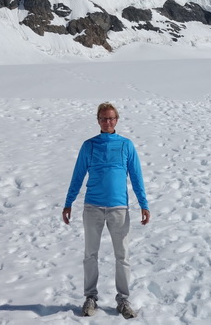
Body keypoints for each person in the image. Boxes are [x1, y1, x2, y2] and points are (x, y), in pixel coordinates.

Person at [62, 102, 150, 319]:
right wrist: (68, 202)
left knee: (123, 256)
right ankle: (90, 297)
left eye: (111, 118)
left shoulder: (126, 145)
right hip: (92, 207)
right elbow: (78, 175)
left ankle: (123, 300)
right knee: (90, 255)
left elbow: (136, 176)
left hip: (119, 208)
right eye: (103, 118)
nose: (107, 122)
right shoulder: (89, 145)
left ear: (117, 120)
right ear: (98, 120)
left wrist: (144, 204)